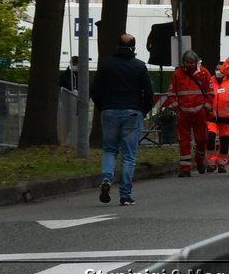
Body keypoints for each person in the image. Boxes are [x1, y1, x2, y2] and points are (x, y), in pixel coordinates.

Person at [90, 32, 153, 206]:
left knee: (109, 149)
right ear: (133, 48)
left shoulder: (106, 64)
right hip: (132, 112)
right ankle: (125, 195)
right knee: (129, 156)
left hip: (109, 110)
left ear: (117, 47)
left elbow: (94, 89)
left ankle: (106, 179)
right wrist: (143, 110)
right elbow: (149, 93)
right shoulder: (139, 66)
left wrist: (103, 107)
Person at [165, 50, 214, 176]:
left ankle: (200, 159)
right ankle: (185, 169)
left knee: (202, 139)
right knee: (184, 141)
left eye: (192, 63)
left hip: (200, 112)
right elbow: (171, 93)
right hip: (184, 113)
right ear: (183, 62)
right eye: (187, 63)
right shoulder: (177, 74)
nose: (190, 65)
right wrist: (178, 109)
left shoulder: (204, 73)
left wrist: (205, 109)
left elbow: (210, 93)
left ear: (196, 62)